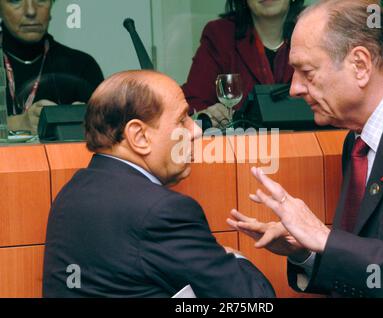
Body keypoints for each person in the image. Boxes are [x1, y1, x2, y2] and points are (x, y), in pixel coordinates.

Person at [228, 0, 383, 297]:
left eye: (306, 71)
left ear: (360, 65)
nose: (294, 88)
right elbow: (367, 268)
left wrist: (325, 238)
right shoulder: (356, 141)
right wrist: (305, 251)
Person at [42, 70, 275, 298]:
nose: (196, 131)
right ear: (139, 136)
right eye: (182, 120)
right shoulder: (162, 212)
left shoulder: (70, 194)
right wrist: (231, 256)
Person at [182, 0, 304, 127]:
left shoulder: (314, 30)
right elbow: (194, 104)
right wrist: (209, 115)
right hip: (243, 145)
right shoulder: (220, 35)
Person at [0, 0, 103, 134]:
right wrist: (18, 123)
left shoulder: (81, 66)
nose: (31, 11)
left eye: (41, 0)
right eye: (15, 1)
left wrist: (87, 121)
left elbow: (112, 132)